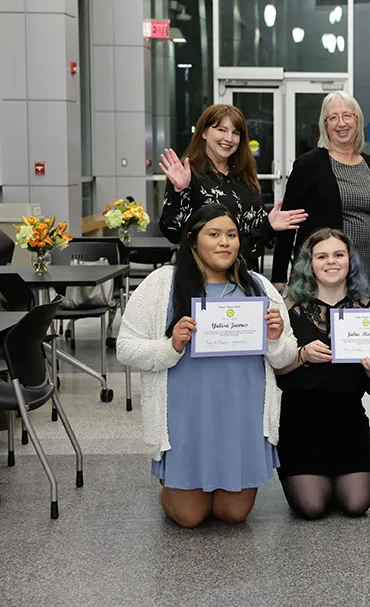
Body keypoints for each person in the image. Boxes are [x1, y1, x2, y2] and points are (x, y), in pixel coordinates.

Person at [117, 203, 297, 528]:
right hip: (186, 418)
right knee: (189, 517)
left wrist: (274, 338)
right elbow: (125, 348)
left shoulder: (258, 286)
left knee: (234, 514)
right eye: (213, 234)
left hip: (242, 417)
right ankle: (173, 482)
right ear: (193, 239)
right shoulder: (163, 284)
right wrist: (169, 346)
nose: (224, 243)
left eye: (231, 235)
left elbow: (285, 358)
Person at [274, 228, 370, 519]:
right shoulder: (288, 309)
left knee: (356, 505)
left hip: (349, 422)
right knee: (312, 508)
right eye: (321, 256)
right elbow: (275, 370)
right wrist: (302, 356)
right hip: (300, 425)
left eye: (339, 254)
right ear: (309, 263)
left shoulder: (368, 309)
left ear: (350, 261)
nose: (331, 262)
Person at [158, 103, 307, 269]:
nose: (229, 138)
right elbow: (173, 233)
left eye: (235, 133)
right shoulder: (186, 174)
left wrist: (269, 225)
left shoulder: (245, 177)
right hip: (201, 277)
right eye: (221, 130)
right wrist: (180, 191)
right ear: (205, 132)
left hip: (244, 276)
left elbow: (254, 237)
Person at [270, 92, 370, 294]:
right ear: (325, 125)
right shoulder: (308, 165)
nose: (341, 123)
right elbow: (288, 223)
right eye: (333, 118)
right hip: (322, 274)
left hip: (363, 272)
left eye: (347, 116)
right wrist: (279, 277)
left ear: (357, 120)